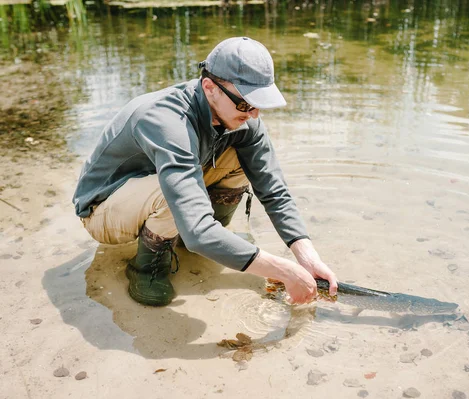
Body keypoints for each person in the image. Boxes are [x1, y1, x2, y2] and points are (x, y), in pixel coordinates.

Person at [72, 37, 337, 307]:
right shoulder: (165, 120)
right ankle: (147, 267)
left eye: (259, 103)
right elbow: (197, 228)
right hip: (103, 209)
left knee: (241, 161)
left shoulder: (241, 118)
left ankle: (203, 239)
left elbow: (273, 189)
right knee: (173, 198)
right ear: (210, 88)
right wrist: (283, 271)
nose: (254, 114)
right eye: (245, 103)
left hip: (160, 198)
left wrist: (307, 257)